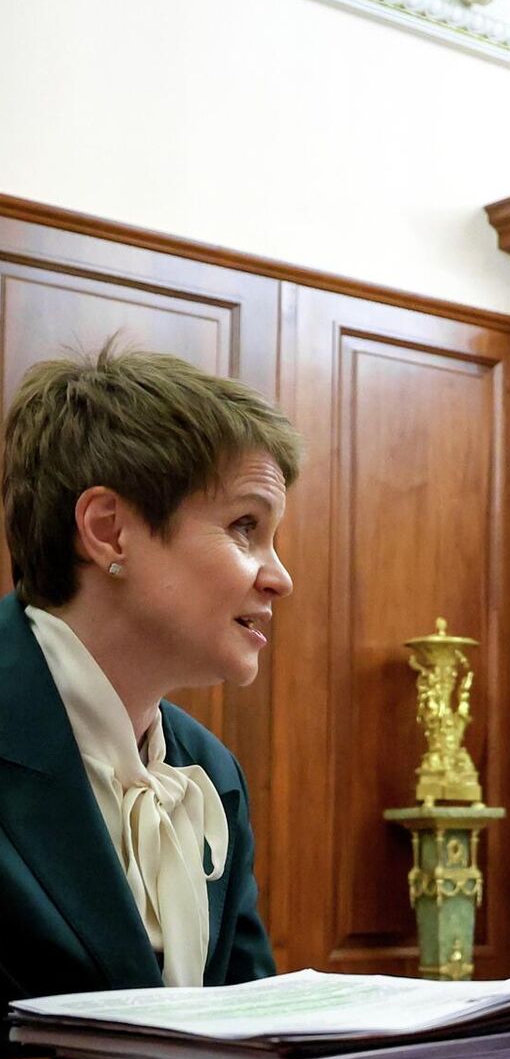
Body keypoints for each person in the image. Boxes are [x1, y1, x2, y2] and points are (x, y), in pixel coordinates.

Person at [0, 347, 300, 1010]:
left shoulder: (213, 773)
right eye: (245, 527)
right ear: (109, 531)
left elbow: (249, 1034)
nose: (280, 577)